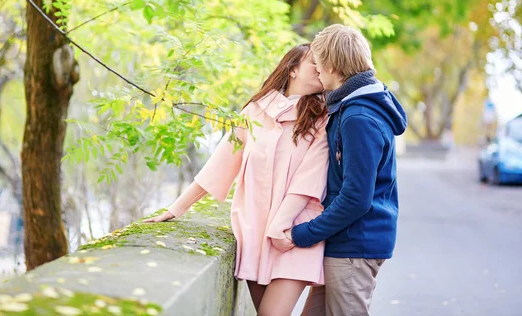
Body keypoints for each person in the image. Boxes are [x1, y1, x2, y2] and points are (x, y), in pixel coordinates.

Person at [145, 44, 330, 316]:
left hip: (293, 233)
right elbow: (221, 164)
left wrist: (282, 228)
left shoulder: (324, 118)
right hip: (254, 232)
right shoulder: (255, 112)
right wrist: (176, 209)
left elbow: (310, 179)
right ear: (292, 69)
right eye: (314, 62)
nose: (320, 68)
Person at [288, 24, 407, 316]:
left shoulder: (359, 116)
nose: (316, 71)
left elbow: (356, 197)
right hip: (343, 242)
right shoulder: (351, 107)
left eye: (317, 63)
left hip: (354, 245)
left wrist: (304, 233)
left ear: (330, 65)